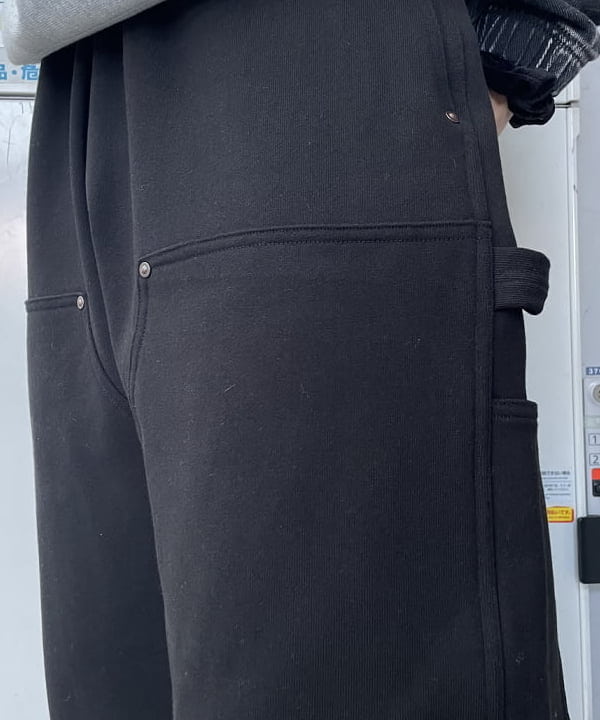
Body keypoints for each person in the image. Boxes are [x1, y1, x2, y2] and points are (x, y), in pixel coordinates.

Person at [5, 1, 600, 718]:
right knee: (116, 678)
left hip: (314, 77)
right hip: (81, 97)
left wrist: (516, 52)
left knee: (349, 672)